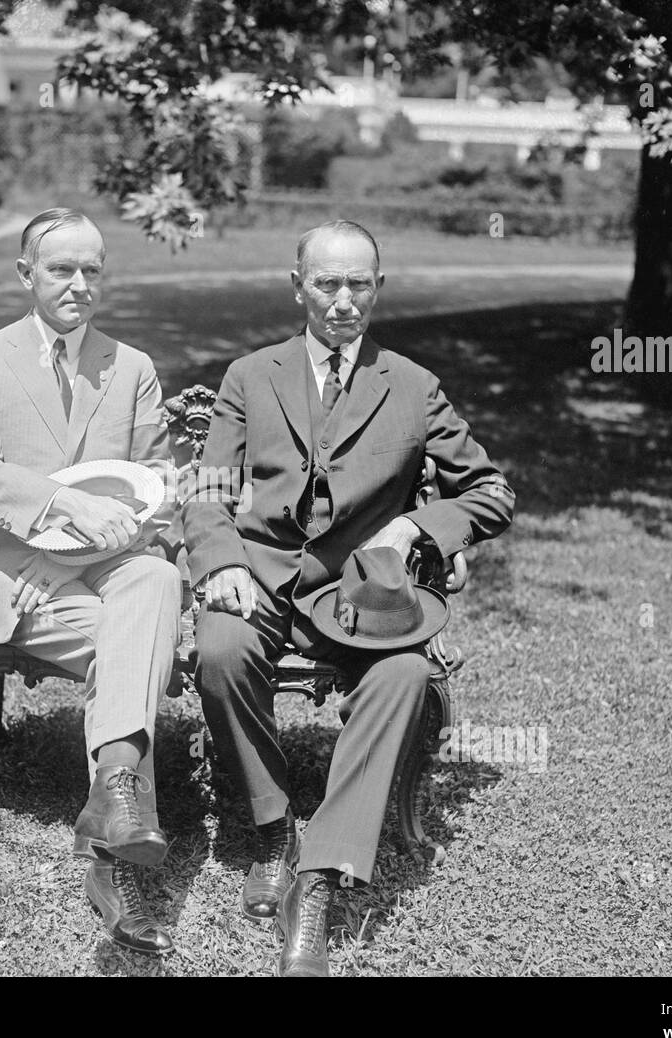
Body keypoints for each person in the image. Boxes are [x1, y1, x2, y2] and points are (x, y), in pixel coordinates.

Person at [183, 220, 515, 976]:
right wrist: (220, 563)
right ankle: (270, 830)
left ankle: (320, 876)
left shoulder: (413, 385)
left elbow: (491, 491)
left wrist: (416, 527)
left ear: (378, 289)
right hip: (263, 578)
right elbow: (205, 490)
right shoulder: (250, 376)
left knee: (404, 675)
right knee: (221, 649)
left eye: (358, 285)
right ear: (296, 286)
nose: (342, 302)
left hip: (361, 597)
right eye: (327, 283)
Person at [0, 208, 182, 956]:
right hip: (13, 582)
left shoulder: (130, 366)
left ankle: (111, 807)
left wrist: (90, 546)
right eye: (62, 270)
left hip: (98, 576)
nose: (80, 285)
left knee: (149, 576)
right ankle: (123, 840)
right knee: (137, 641)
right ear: (26, 275)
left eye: (93, 271)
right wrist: (60, 514)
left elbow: (158, 486)